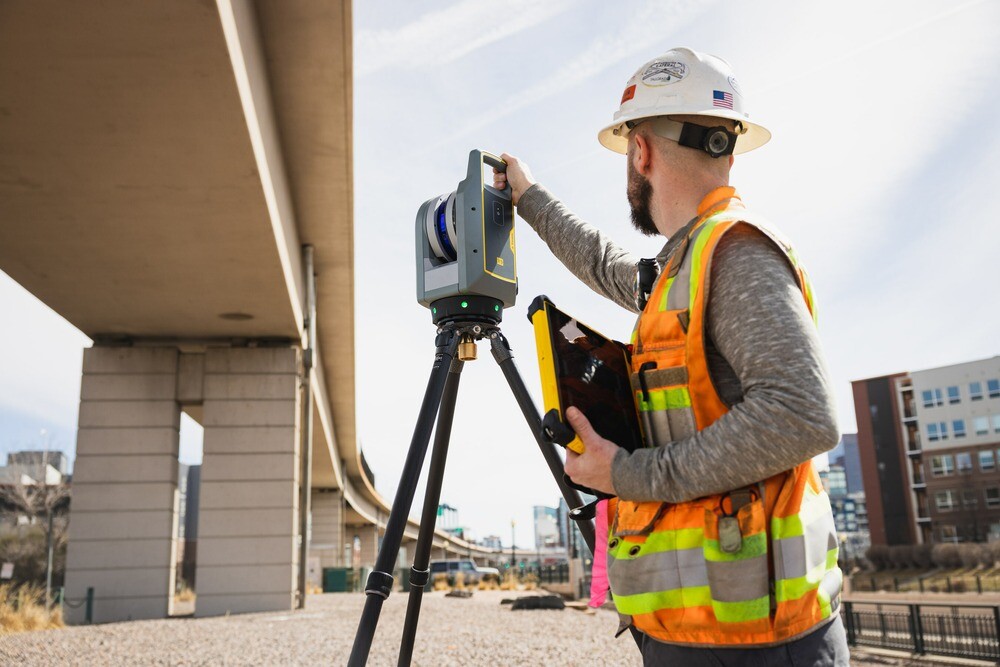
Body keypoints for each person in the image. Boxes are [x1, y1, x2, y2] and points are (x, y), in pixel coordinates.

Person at [494, 47, 849, 666]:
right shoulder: (682, 268)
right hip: (706, 634)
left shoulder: (734, 253)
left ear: (640, 151)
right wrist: (528, 199)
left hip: (757, 646)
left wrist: (626, 474)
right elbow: (606, 264)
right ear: (728, 148)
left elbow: (802, 414)